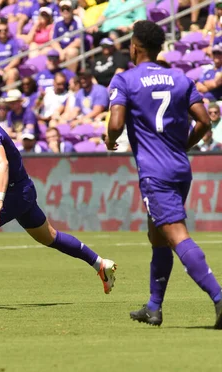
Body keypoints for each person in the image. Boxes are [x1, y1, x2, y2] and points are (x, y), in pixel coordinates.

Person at [0, 87, 117, 296]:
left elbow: (1, 163)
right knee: (50, 238)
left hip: (14, 194)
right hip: (22, 191)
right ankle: (100, 264)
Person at [106, 20, 222, 329]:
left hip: (154, 173)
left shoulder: (125, 80)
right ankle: (154, 307)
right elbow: (203, 122)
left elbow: (116, 124)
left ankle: (219, 297)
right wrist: (180, 146)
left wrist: (108, 138)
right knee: (157, 236)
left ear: (136, 47)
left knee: (175, 235)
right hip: (180, 167)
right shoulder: (181, 79)